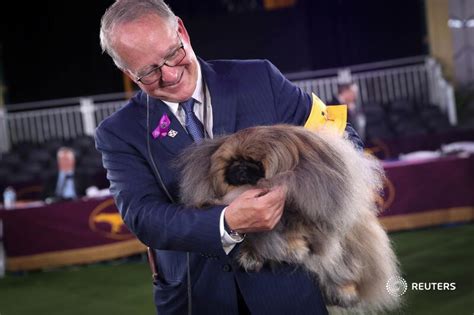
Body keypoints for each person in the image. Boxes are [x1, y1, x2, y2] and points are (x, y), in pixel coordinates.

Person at [95, 1, 363, 314]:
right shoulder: (118, 133)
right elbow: (144, 217)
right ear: (127, 71)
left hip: (289, 289)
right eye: (149, 72)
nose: (169, 74)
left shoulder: (259, 78)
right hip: (197, 300)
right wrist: (226, 223)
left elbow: (342, 140)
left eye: (172, 54)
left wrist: (289, 190)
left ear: (182, 30)